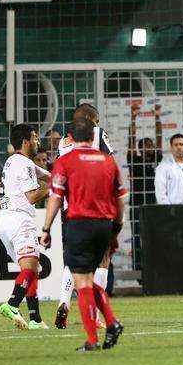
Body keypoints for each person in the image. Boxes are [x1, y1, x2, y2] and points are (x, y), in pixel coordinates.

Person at [40, 115, 126, 351]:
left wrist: (46, 228)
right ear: (93, 136)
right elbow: (121, 198)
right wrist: (116, 227)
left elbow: (56, 197)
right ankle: (112, 322)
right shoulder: (108, 162)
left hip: (78, 223)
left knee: (82, 280)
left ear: (70, 137)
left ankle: (93, 339)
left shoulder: (65, 162)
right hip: (104, 225)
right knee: (90, 277)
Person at [53, 103, 119, 329]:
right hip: (96, 205)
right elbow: (110, 164)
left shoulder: (63, 142)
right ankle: (96, 314)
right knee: (102, 259)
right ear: (91, 119)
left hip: (70, 207)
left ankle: (63, 302)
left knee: (73, 258)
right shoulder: (97, 134)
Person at [0, 124, 51, 330]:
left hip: (7, 222)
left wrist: (63, 177)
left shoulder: (14, 162)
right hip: (20, 220)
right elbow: (32, 196)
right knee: (30, 268)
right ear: (26, 141)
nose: (38, 141)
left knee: (31, 270)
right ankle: (12, 304)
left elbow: (47, 175)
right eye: (35, 137)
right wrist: (55, 187)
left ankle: (35, 318)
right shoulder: (24, 164)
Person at [126, 102, 163, 208]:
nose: (151, 147)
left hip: (152, 202)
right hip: (136, 202)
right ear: (140, 149)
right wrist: (133, 118)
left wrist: (157, 117)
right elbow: (131, 138)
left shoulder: (156, 158)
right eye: (147, 145)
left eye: (151, 145)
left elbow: (159, 137)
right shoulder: (134, 160)